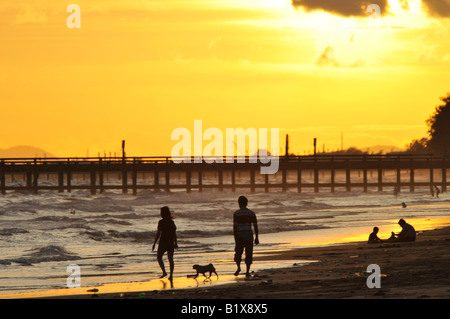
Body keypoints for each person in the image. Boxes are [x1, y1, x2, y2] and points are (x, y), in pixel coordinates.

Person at [233, 196, 259, 278]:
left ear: (239, 203)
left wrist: (235, 239)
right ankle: (247, 271)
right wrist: (257, 237)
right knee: (249, 254)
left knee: (238, 253)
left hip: (240, 236)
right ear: (247, 203)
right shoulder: (251, 213)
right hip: (249, 236)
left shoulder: (236, 214)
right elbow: (255, 226)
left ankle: (238, 268)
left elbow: (235, 228)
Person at [152, 206, 178, 279]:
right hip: (170, 241)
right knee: (170, 259)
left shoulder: (161, 222)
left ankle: (164, 272)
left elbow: (158, 233)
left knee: (159, 257)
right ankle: (171, 275)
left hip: (163, 241)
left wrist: (154, 243)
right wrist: (176, 243)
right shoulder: (171, 222)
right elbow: (174, 234)